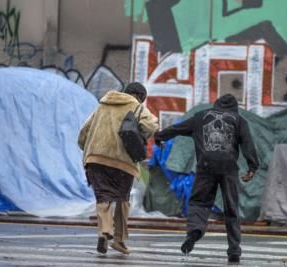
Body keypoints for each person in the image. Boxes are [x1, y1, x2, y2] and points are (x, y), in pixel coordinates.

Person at [154, 93, 259, 264]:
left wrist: (160, 136)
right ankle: (234, 251)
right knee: (231, 209)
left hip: (205, 166)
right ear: (234, 108)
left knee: (199, 202)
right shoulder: (239, 120)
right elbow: (248, 143)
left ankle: (195, 230)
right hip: (228, 168)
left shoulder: (200, 117)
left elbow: (178, 128)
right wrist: (252, 166)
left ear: (216, 105)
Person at [78, 82, 158, 254]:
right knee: (122, 198)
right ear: (139, 96)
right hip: (122, 161)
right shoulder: (136, 107)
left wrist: (89, 148)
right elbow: (151, 126)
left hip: (96, 158)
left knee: (103, 196)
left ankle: (105, 231)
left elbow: (84, 132)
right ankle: (119, 240)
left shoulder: (103, 105)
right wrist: (140, 137)